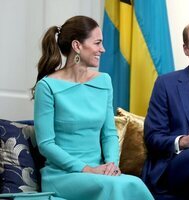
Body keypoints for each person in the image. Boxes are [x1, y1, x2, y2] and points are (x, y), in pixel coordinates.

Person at [32, 15, 154, 200]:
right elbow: (46, 145)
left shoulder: (104, 81)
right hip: (63, 175)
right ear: (77, 46)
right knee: (114, 187)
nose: (102, 49)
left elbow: (109, 133)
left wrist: (111, 164)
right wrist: (87, 169)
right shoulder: (47, 86)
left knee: (134, 183)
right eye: (97, 43)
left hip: (100, 172)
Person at [142, 21, 189, 200]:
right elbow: (153, 136)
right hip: (175, 164)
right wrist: (184, 141)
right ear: (186, 49)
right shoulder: (166, 84)